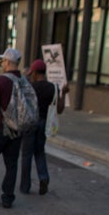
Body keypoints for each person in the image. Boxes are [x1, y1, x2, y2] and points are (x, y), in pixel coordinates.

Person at [0, 47, 35, 208]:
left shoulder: (1, 80)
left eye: (2, 60)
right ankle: (8, 197)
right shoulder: (24, 81)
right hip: (17, 130)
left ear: (8, 62)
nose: (1, 63)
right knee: (11, 164)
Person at [24, 59, 69, 195]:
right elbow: (60, 109)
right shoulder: (53, 87)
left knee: (26, 155)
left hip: (30, 122)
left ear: (36, 73)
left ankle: (25, 186)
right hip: (44, 122)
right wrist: (63, 93)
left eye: (32, 73)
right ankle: (43, 177)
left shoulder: (30, 87)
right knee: (39, 152)